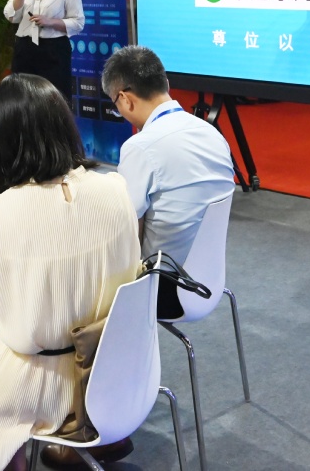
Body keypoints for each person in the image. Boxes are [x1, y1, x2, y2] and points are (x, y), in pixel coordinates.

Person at [0, 73, 139, 471]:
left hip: (43, 378)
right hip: (116, 368)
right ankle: (90, 442)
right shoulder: (117, 189)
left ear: (1, 142)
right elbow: (132, 277)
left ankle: (11, 458)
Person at [101, 45, 236, 319]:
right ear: (166, 83)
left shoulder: (141, 146)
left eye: (116, 106)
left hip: (163, 290)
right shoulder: (212, 134)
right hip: (209, 281)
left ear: (125, 99)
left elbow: (125, 230)